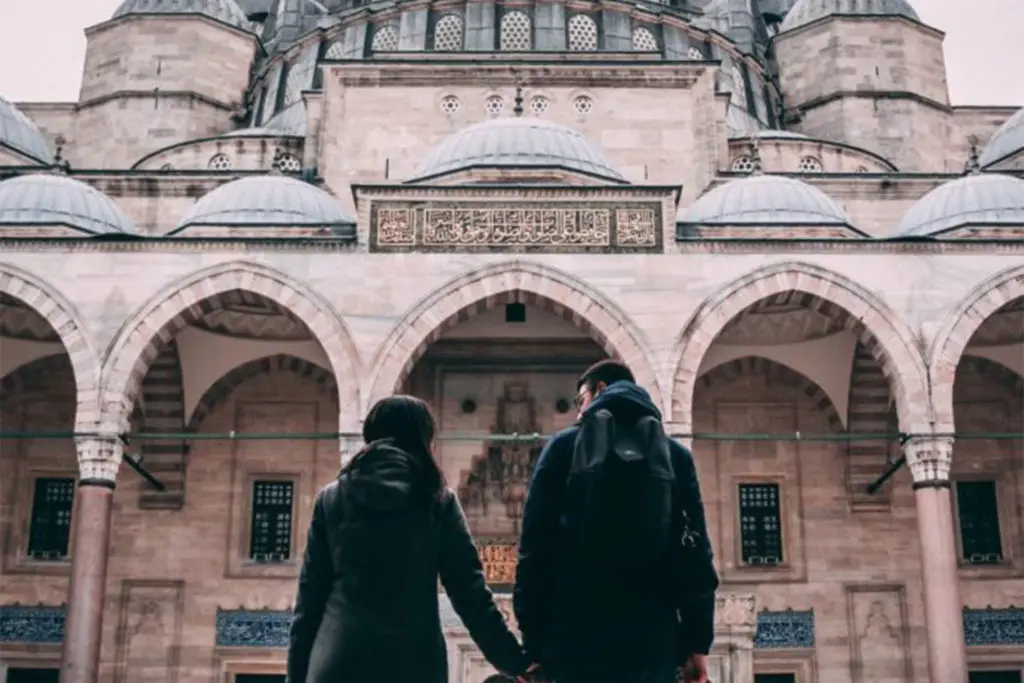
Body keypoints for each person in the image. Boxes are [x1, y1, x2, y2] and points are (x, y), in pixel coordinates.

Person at [286, 395, 537, 683]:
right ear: (424, 439)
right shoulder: (436, 501)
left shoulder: (332, 500)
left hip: (339, 662)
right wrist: (513, 661)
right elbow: (469, 594)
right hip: (414, 665)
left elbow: (309, 605)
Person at [513, 360, 719, 683]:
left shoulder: (562, 449)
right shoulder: (675, 456)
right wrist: (696, 644)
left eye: (581, 400)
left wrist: (533, 644)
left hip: (574, 641)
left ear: (600, 390)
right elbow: (696, 556)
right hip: (653, 643)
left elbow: (534, 553)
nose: (579, 412)